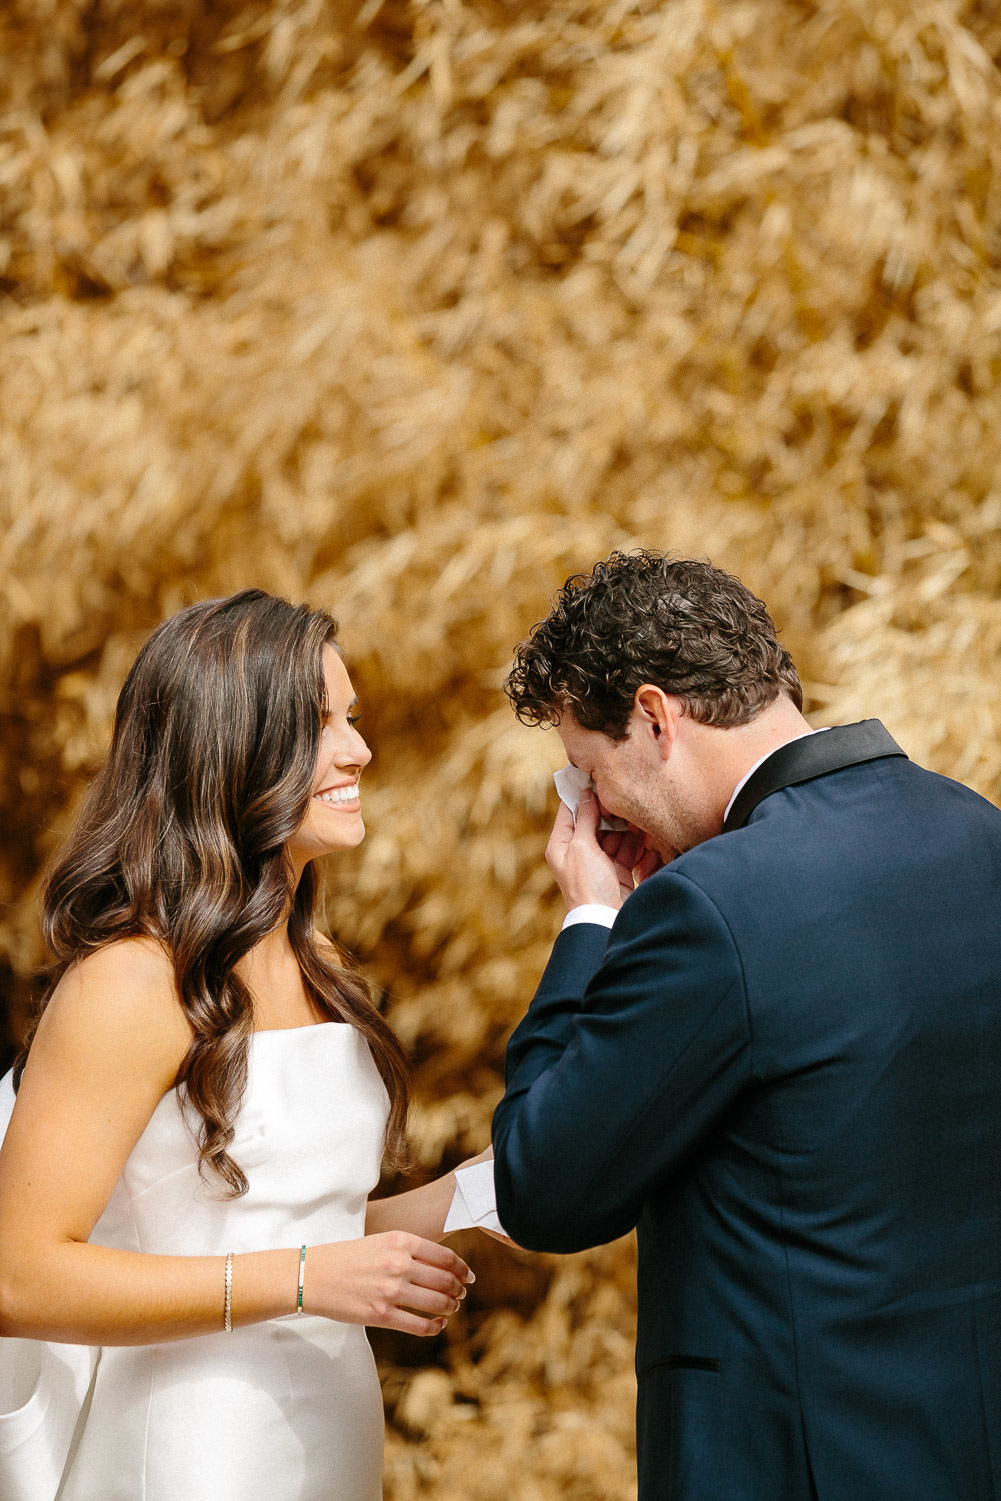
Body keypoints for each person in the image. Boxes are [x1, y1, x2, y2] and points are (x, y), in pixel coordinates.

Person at [492, 550, 1001, 1501]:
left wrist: (590, 919)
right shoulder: (976, 831)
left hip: (789, 1463)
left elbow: (544, 1184)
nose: (596, 809)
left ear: (653, 716)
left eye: (585, 773)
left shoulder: (708, 907)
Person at [0, 590, 477, 1501]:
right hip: (190, 1454)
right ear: (229, 747)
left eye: (353, 717)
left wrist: (515, 1179)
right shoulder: (131, 981)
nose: (358, 749)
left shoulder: (321, 963)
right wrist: (306, 1279)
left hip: (327, 1439)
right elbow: (19, 1276)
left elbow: (300, 1234)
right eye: (319, 725)